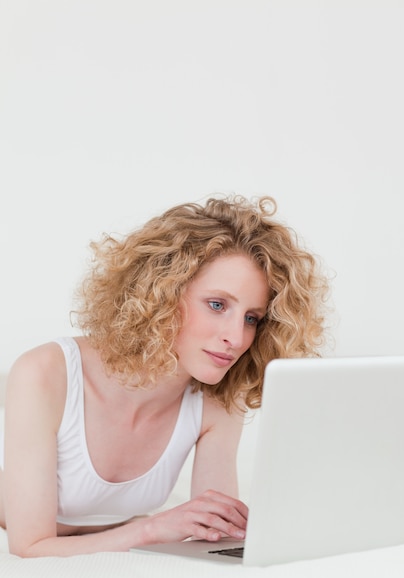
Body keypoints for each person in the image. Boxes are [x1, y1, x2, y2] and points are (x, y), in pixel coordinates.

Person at [0, 194, 329, 557]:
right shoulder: (46, 373)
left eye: (251, 318)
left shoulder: (217, 401)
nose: (236, 338)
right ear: (162, 292)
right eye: (217, 305)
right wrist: (152, 528)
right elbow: (28, 546)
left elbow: (217, 532)